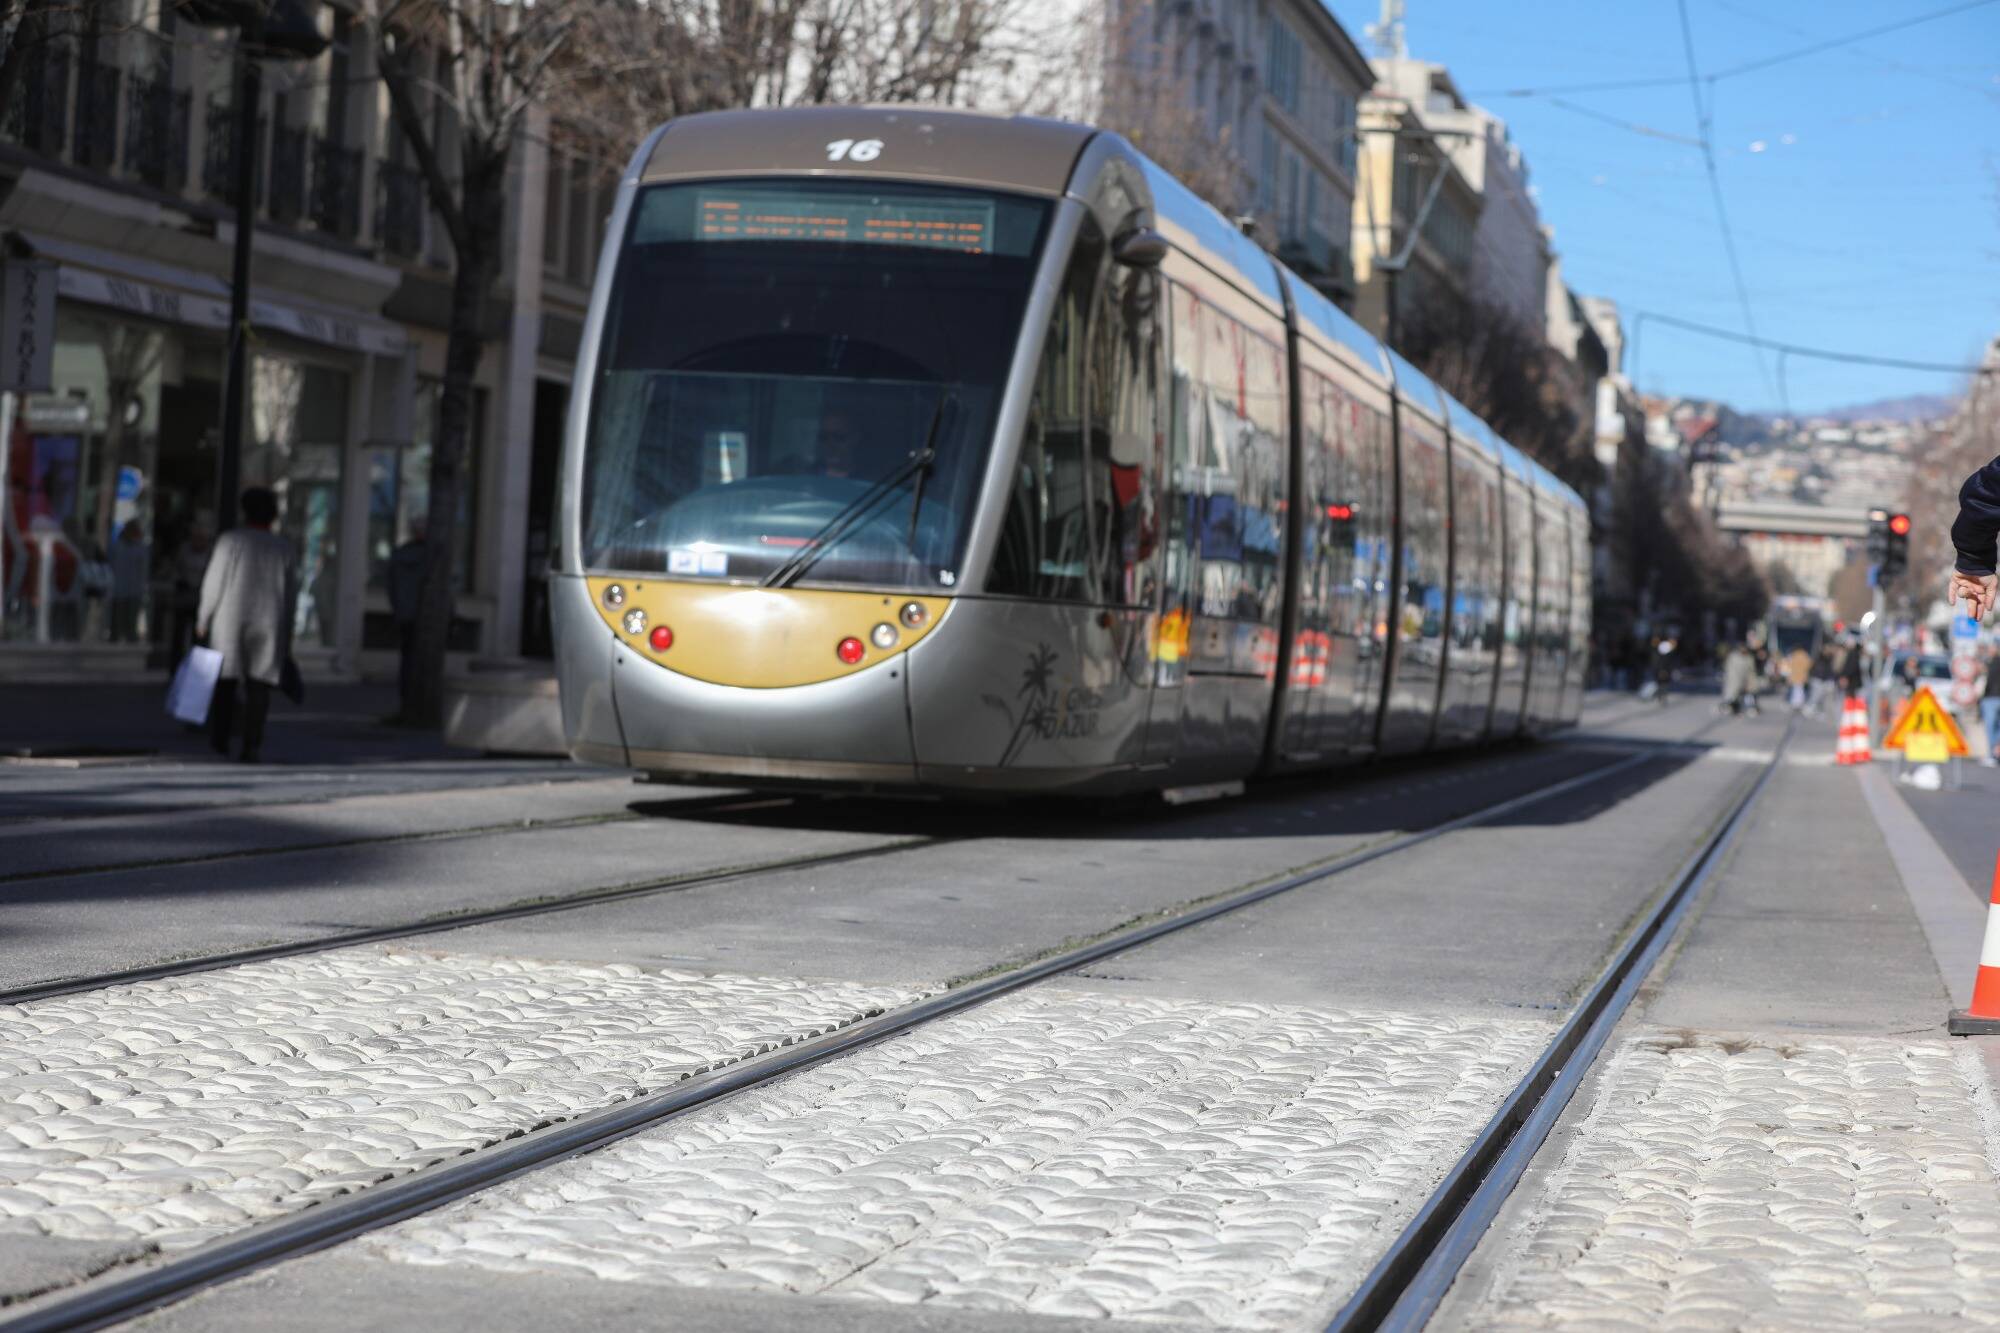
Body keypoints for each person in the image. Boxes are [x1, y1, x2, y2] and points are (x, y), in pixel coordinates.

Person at [196, 488, 296, 763]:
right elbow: (291, 593)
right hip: (269, 620)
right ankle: (252, 744)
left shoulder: (231, 541)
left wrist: (203, 617)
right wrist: (288, 631)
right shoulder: (283, 547)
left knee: (225, 682)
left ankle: (221, 739)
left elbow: (214, 582)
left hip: (230, 618)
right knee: (259, 686)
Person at [387, 522, 430, 717]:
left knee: (407, 659)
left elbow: (391, 586)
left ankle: (407, 699)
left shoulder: (400, 554)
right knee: (419, 659)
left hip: (405, 614)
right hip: (422, 616)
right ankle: (417, 701)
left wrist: (397, 609)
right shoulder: (430, 556)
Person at [107, 519, 150, 644]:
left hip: (133, 589)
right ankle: (116, 636)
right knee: (118, 617)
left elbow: (143, 570)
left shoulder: (140, 548)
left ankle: (130, 637)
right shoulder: (117, 546)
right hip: (119, 589)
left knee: (131, 618)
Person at [1982, 647, 2000, 769]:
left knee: (1990, 728)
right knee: (1998, 728)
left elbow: (1986, 682)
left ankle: (1992, 754)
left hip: (1991, 698)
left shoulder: (1991, 664)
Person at [1784, 645, 1812, 712]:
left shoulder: (1792, 656)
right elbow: (1809, 665)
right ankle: (1798, 703)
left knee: (1796, 690)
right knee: (1800, 690)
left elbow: (1787, 665)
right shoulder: (1805, 655)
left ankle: (1795, 703)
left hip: (1794, 676)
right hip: (1802, 676)